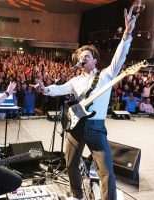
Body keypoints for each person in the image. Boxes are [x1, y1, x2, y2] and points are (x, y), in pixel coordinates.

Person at [36, 6, 138, 200]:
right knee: (70, 164)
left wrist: (126, 34)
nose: (82, 59)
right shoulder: (75, 80)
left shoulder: (106, 75)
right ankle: (77, 195)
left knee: (106, 170)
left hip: (96, 127)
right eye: (80, 57)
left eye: (86, 57)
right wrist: (44, 89)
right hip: (76, 126)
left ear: (94, 60)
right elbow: (59, 89)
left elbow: (119, 57)